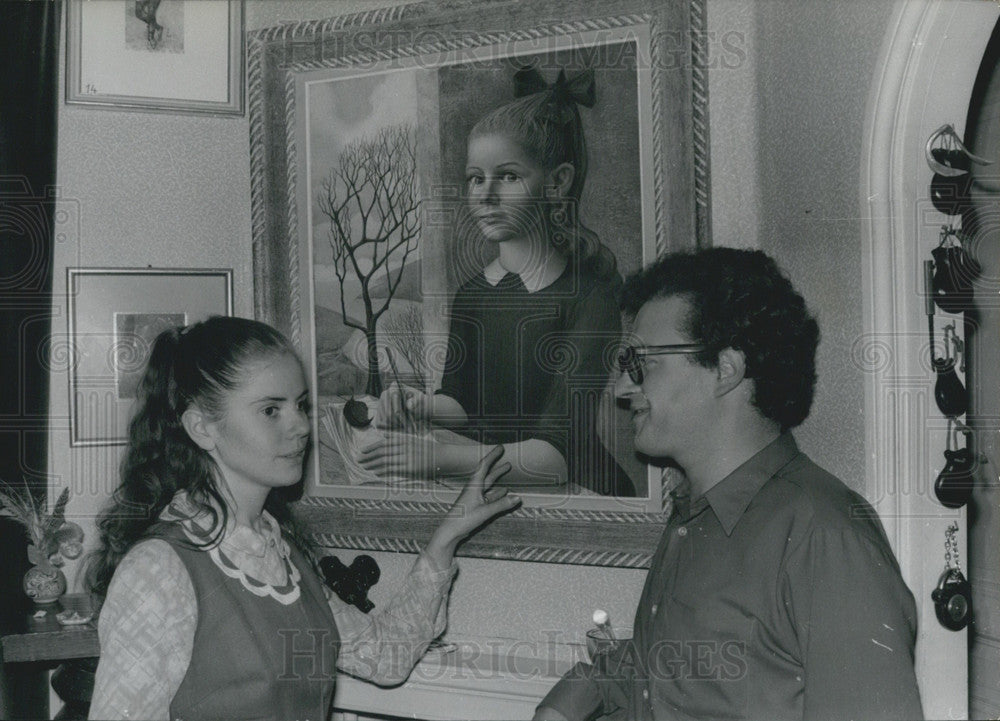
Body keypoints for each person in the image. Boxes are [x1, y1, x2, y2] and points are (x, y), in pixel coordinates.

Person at [534, 248, 923, 721]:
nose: (621, 389)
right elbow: (668, 666)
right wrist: (568, 703)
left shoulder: (825, 537)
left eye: (642, 363)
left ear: (725, 369)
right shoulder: (693, 518)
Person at [85, 316, 519, 721]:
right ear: (202, 428)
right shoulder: (160, 568)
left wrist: (445, 538)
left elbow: (386, 658)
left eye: (301, 405)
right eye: (271, 410)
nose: (301, 426)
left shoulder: (282, 557)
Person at [361, 66, 634, 496]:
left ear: (557, 182)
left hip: (579, 490)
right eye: (475, 179)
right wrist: (419, 406)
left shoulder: (589, 298)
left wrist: (438, 459)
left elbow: (556, 456)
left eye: (508, 176)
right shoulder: (473, 292)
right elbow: (462, 404)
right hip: (493, 479)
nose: (485, 197)